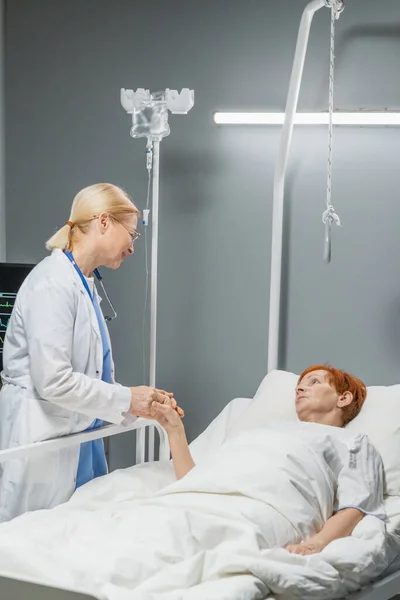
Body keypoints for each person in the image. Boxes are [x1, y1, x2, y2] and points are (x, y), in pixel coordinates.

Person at [0, 183, 182, 523]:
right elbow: (53, 381)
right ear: (103, 222)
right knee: (30, 551)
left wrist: (140, 406)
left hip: (76, 438)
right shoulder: (52, 284)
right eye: (131, 234)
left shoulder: (82, 284)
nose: (132, 247)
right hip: (42, 443)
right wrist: (128, 399)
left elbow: (93, 377)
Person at [152, 364, 385, 556]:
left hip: (265, 507)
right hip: (199, 501)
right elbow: (197, 481)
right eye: (299, 386)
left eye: (314, 382)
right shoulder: (260, 432)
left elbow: (355, 507)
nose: (301, 389)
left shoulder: (351, 442)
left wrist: (317, 543)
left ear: (343, 398)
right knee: (152, 532)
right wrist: (175, 429)